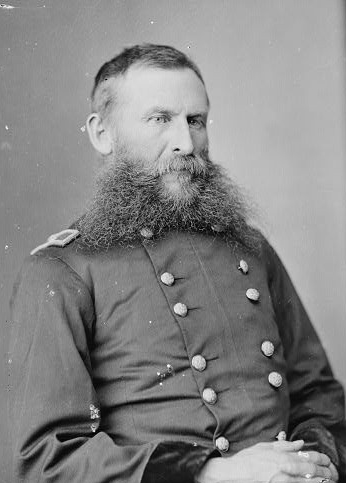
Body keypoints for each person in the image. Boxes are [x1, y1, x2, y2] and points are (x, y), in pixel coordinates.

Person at [8, 43, 346, 483]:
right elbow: (42, 461)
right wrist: (215, 475)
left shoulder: (250, 247)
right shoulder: (61, 271)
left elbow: (319, 394)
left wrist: (314, 462)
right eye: (160, 119)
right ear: (101, 133)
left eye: (196, 121)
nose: (186, 143)